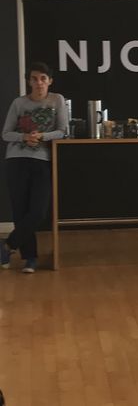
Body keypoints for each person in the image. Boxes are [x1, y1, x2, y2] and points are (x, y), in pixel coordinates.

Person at [1, 62, 67, 273]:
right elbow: (6, 134)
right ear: (29, 81)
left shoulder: (57, 100)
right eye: (34, 79)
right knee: (20, 211)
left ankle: (7, 246)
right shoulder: (19, 103)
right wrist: (24, 137)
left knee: (38, 212)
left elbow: (62, 130)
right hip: (16, 160)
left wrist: (41, 136)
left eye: (43, 79)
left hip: (42, 160)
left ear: (50, 81)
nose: (39, 83)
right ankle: (30, 259)